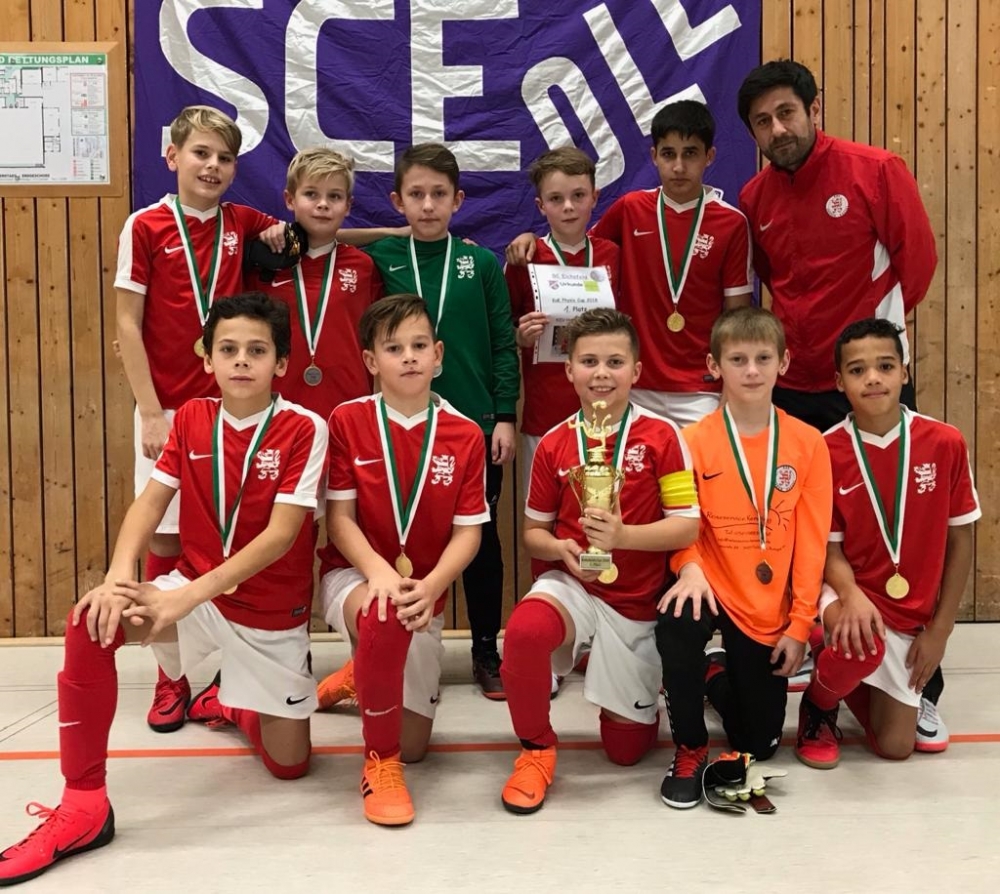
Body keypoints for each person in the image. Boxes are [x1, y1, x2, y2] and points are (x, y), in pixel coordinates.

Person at [0, 293, 328, 886]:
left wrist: (186, 595)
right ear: (208, 358)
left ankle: (231, 702)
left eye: (257, 350)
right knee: (89, 623)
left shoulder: (306, 428)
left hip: (269, 612)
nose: (241, 360)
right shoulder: (192, 418)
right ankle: (83, 806)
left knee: (290, 767)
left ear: (281, 363)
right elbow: (149, 505)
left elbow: (281, 536)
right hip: (195, 594)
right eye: (228, 348)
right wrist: (117, 580)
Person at [736, 59, 945, 744]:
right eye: (762, 122)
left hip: (867, 382)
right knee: (800, 521)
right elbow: (773, 282)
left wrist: (874, 354)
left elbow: (918, 263)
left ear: (813, 108)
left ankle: (922, 681)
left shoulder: (875, 170)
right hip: (797, 385)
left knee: (894, 525)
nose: (777, 129)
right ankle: (812, 639)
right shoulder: (755, 197)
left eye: (786, 113)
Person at [115, 106, 286, 733]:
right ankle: (171, 677)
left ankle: (222, 679)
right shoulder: (145, 225)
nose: (212, 166)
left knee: (225, 544)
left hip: (230, 412)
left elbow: (319, 231)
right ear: (173, 156)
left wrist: (398, 232)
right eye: (201, 153)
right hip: (167, 413)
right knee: (163, 543)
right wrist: (150, 411)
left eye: (225, 158)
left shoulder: (245, 222)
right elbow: (127, 323)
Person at [498, 308, 700, 815]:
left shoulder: (663, 436)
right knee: (523, 633)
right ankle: (536, 749)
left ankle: (642, 684)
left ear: (636, 369)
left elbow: (687, 527)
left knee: (626, 754)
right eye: (589, 361)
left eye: (615, 361)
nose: (602, 373)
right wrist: (561, 550)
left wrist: (624, 536)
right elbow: (533, 535)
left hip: (635, 603)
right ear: (569, 370)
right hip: (575, 587)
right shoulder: (553, 443)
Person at [343, 143, 519, 698]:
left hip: (472, 424)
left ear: (458, 200)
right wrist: (385, 233)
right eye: (415, 195)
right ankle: (378, 642)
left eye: (438, 194)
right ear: (397, 200)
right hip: (398, 423)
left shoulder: (480, 262)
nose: (427, 205)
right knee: (393, 527)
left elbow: (503, 343)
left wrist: (504, 415)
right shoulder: (382, 257)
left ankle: (485, 649)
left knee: (479, 541)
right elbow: (328, 238)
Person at [315, 294, 489, 825]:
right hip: (355, 574)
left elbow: (469, 534)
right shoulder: (347, 420)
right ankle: (379, 762)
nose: (409, 357)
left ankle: (363, 671)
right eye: (394, 348)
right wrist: (380, 574)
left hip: (423, 593)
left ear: (439, 354)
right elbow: (339, 521)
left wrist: (433, 585)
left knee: (417, 746)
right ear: (371, 360)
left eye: (419, 345)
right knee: (382, 613)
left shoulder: (465, 433)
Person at [655, 306, 832, 809]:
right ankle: (690, 745)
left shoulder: (808, 443)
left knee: (760, 744)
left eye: (762, 358)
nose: (751, 370)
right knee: (677, 620)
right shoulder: (689, 442)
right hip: (709, 582)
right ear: (714, 365)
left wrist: (800, 623)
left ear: (784, 362)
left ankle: (715, 676)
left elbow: (812, 541)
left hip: (767, 602)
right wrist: (689, 566)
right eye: (737, 359)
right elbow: (680, 522)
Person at [794, 319, 979, 768]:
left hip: (913, 613)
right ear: (840, 381)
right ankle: (819, 700)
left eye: (885, 366)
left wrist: (940, 631)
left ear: (904, 372)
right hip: (848, 589)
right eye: (857, 370)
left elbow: (961, 538)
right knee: (863, 641)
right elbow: (829, 549)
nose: (873, 378)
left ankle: (838, 665)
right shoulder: (826, 450)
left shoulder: (945, 442)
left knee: (896, 747)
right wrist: (851, 596)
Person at [506, 100, 752, 427]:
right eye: (668, 154)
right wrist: (529, 237)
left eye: (690, 153)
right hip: (634, 381)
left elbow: (736, 318)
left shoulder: (731, 223)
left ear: (710, 156)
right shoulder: (630, 208)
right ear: (654, 156)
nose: (679, 166)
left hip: (700, 387)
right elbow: (574, 244)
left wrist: (730, 388)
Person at [504, 147, 620, 487]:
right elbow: (502, 328)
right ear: (541, 205)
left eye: (578, 195)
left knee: (599, 508)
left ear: (595, 197)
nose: (568, 206)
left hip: (604, 413)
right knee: (542, 511)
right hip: (545, 414)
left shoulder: (612, 255)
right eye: (556, 198)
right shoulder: (525, 258)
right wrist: (519, 336)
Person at [247, 147, 382, 420]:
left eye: (334, 196)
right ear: (290, 199)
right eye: (311, 194)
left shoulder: (364, 266)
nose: (323, 204)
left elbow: (378, 339)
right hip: (275, 410)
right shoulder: (263, 264)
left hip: (349, 408)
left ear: (348, 205)